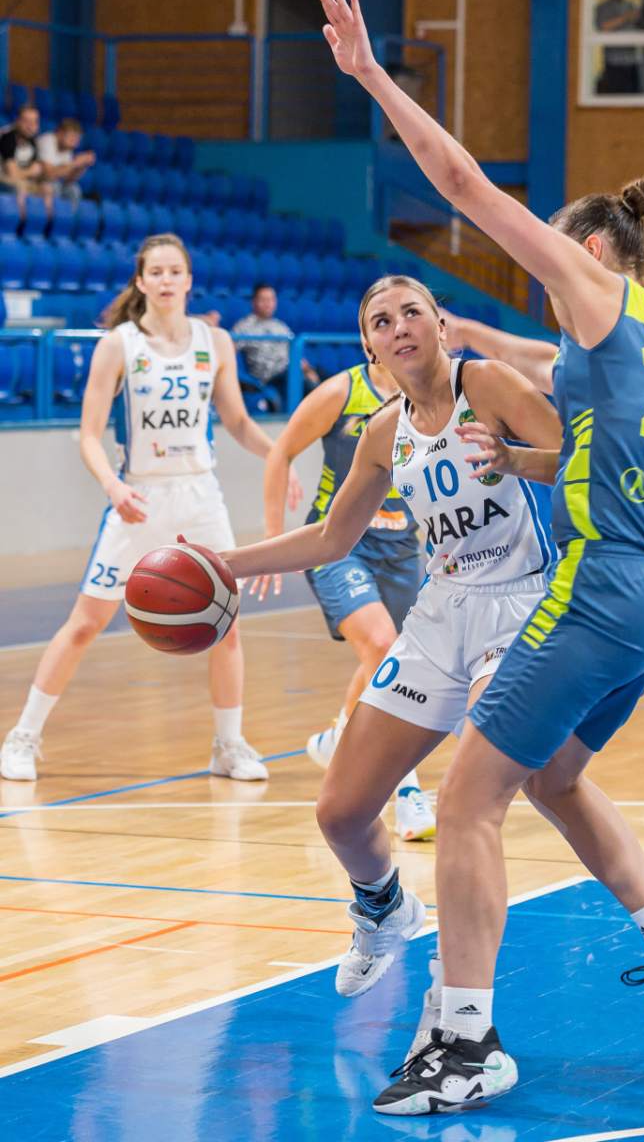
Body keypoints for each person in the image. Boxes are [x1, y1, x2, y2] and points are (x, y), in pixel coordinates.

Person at [318, 0, 644, 1117]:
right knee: (549, 776)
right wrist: (470, 354)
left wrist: (370, 75)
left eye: (554, 251)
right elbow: (548, 389)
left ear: (588, 251)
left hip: (598, 591)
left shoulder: (591, 289)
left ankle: (465, 1042)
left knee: (463, 804)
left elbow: (460, 183)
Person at [213, 272, 560, 1001]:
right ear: (369, 345)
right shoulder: (380, 432)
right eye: (381, 320)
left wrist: (515, 460)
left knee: (472, 799)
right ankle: (383, 908)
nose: (399, 326)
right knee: (339, 812)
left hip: (520, 605)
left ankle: (463, 1003)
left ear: (440, 324)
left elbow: (576, 457)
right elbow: (331, 537)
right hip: (442, 612)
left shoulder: (488, 384)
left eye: (412, 312)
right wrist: (226, 563)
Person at [1, 233, 299, 784]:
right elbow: (89, 434)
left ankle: (228, 746)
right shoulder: (119, 344)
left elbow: (236, 421)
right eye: (155, 272)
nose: (165, 280)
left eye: (174, 271)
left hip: (200, 495)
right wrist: (112, 486)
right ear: (141, 281)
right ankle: (22, 737)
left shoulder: (215, 341)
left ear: (189, 280)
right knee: (86, 623)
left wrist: (279, 456)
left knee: (227, 626)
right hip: (138, 497)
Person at [250, 342, 437, 841]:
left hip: (402, 546)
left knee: (388, 658)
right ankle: (406, 790)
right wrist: (273, 537)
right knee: (382, 646)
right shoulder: (341, 392)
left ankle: (339, 737)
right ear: (369, 342)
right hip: (338, 543)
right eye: (382, 323)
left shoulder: (437, 394)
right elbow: (281, 450)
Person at [233, 284, 319, 390]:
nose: (268, 304)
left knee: (324, 375)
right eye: (263, 300)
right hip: (270, 378)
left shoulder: (281, 326)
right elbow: (229, 348)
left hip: (292, 371)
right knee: (303, 382)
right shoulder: (244, 327)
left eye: (271, 300)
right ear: (254, 302)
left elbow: (297, 354)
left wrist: (308, 370)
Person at [0, 104, 53, 213]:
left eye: (34, 122)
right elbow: (12, 174)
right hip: (3, 179)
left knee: (46, 188)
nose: (30, 126)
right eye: (26, 121)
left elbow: (37, 172)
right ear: (17, 121)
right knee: (21, 187)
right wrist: (30, 172)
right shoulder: (7, 137)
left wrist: (34, 175)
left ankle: (44, 222)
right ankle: (19, 221)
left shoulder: (32, 142)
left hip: (19, 179)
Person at [595, 0, 642, 95]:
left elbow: (641, 26)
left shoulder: (631, 5)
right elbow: (604, 27)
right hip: (614, 60)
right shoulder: (603, 7)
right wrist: (625, 17)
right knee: (615, 94)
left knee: (633, 95)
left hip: (632, 59)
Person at [38, 118, 96, 204]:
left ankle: (70, 213)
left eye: (77, 138)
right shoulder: (47, 140)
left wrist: (82, 166)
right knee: (54, 187)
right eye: (72, 137)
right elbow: (48, 174)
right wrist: (76, 163)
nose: (75, 141)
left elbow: (68, 180)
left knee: (74, 189)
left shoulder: (67, 150)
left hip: (53, 183)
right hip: (36, 181)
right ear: (59, 133)